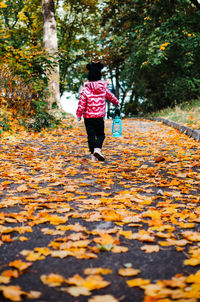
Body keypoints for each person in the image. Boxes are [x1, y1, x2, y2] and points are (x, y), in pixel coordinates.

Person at [76, 61, 119, 162]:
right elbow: (111, 97)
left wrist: (79, 115)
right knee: (101, 135)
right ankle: (97, 150)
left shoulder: (85, 90)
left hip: (88, 118)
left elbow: (81, 103)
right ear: (99, 75)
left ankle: (93, 156)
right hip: (99, 117)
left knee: (91, 136)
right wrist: (117, 104)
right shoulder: (103, 88)